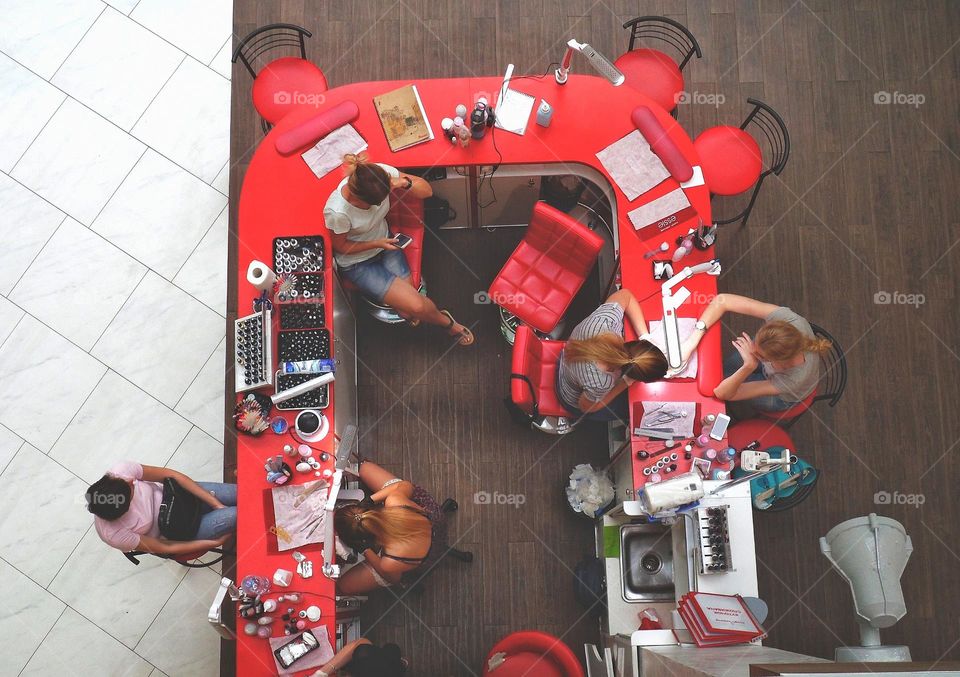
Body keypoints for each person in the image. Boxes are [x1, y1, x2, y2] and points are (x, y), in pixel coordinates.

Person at [325, 153, 474, 346]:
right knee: (415, 307)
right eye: (376, 203)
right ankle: (447, 323)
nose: (380, 204)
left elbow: (426, 191)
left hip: (385, 241)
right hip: (357, 262)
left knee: (410, 309)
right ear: (358, 199)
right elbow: (341, 247)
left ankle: (431, 316)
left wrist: (402, 182)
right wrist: (377, 243)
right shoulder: (338, 212)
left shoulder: (379, 174)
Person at [679, 293, 831, 413]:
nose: (751, 349)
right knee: (723, 372)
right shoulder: (788, 321)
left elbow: (722, 393)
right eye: (755, 342)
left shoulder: (794, 379)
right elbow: (723, 300)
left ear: (775, 361)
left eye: (759, 355)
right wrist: (693, 339)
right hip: (772, 362)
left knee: (722, 384)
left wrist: (749, 366)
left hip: (783, 396)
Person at [557, 288, 668, 423]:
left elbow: (625, 295)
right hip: (567, 390)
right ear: (634, 377)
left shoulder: (604, 323)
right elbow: (585, 407)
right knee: (630, 408)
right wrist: (624, 383)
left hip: (569, 358)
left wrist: (645, 335)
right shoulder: (602, 382)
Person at [333, 460, 444, 594]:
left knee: (343, 587)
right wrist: (371, 500)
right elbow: (405, 486)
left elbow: (393, 578)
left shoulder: (391, 560)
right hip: (423, 520)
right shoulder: (394, 502)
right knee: (366, 468)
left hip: (429, 546)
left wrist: (365, 550)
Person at [86, 461, 235, 555]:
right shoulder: (114, 534)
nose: (132, 481)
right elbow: (166, 547)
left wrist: (215, 503)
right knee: (237, 514)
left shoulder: (120, 473)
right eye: (130, 488)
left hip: (183, 494)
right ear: (125, 508)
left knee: (241, 494)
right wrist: (214, 543)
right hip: (184, 529)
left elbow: (171, 475)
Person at [310, 638, 407, 677]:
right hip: (387, 662)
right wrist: (322, 672)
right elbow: (361, 643)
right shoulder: (364, 655)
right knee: (391, 649)